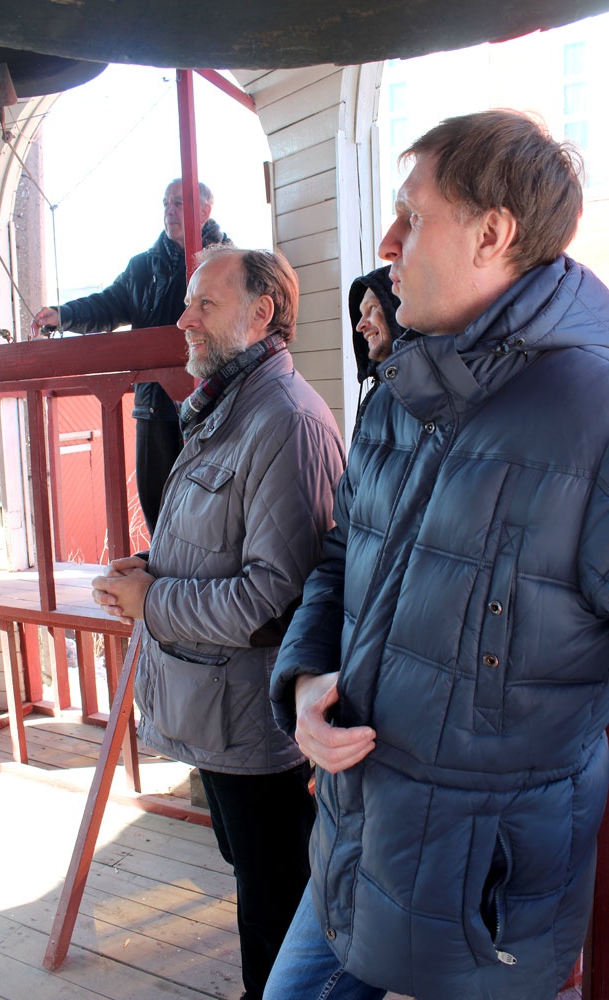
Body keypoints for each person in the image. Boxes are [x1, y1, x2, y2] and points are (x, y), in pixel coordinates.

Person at [267, 109, 609, 1000]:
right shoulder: (399, 391)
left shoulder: (595, 410)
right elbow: (339, 559)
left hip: (489, 890)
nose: (386, 245)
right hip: (357, 841)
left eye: (411, 216)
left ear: (491, 235)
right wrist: (302, 681)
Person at [91, 245, 345, 1000]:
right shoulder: (228, 408)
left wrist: (152, 601)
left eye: (204, 303)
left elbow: (275, 601)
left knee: (277, 905)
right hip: (218, 716)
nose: (183, 318)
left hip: (255, 728)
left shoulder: (285, 421)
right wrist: (150, 566)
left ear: (260, 313)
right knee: (253, 879)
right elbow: (219, 543)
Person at [30, 179, 231, 535]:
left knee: (213, 505)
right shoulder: (142, 268)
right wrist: (63, 315)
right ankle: (161, 568)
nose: (169, 210)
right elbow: (107, 305)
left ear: (205, 210)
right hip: (154, 405)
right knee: (157, 503)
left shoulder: (229, 265)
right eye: (165, 203)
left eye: (179, 203)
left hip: (213, 403)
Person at [349, 266, 403, 434]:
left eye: (372, 308)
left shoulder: (429, 395)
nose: (359, 325)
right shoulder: (374, 398)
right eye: (361, 313)